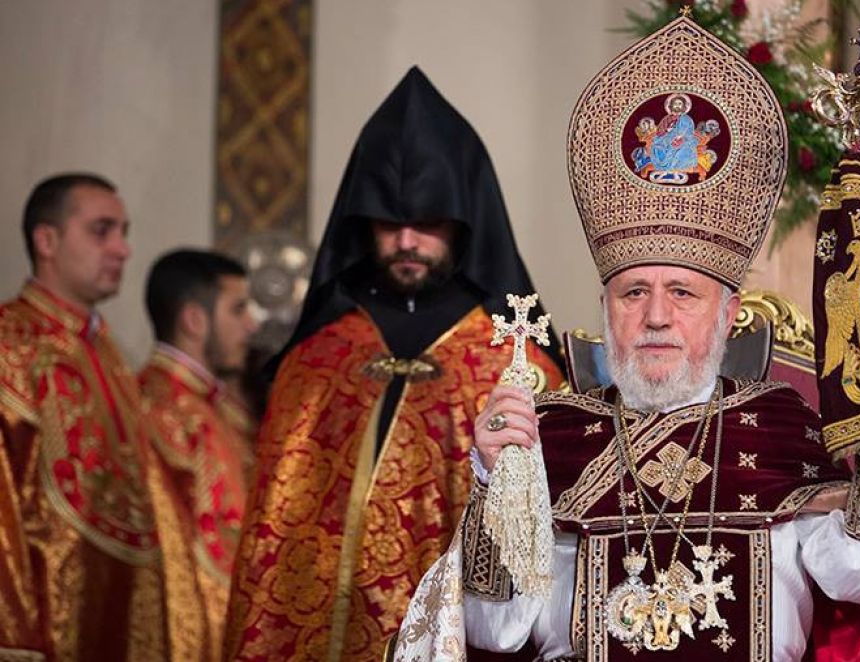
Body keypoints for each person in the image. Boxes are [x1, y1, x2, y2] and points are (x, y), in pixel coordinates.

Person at [395, 16, 860, 661]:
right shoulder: (552, 437)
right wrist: (497, 480)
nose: (655, 316)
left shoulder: (779, 426)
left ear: (727, 312)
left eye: (683, 293)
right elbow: (497, 631)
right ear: (606, 308)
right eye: (634, 293)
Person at [224, 67, 565, 662]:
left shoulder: (512, 359)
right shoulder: (317, 357)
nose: (407, 241)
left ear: (462, 224)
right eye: (390, 223)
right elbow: (271, 551)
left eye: (427, 223)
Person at [0, 174, 208, 660]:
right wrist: (13, 634)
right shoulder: (11, 343)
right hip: (52, 622)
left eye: (125, 232)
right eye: (101, 230)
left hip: (125, 610)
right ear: (46, 240)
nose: (122, 249)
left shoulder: (108, 352)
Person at [140, 248, 259, 661]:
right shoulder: (165, 409)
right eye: (238, 309)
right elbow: (206, 555)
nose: (252, 324)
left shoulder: (214, 408)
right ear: (194, 320)